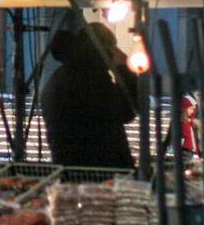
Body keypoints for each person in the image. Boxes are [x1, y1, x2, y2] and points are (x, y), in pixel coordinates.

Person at [42, 21, 137, 171]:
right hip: (101, 170)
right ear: (104, 48)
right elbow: (126, 111)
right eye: (112, 47)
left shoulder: (61, 76)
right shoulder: (91, 78)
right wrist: (124, 69)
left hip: (69, 167)